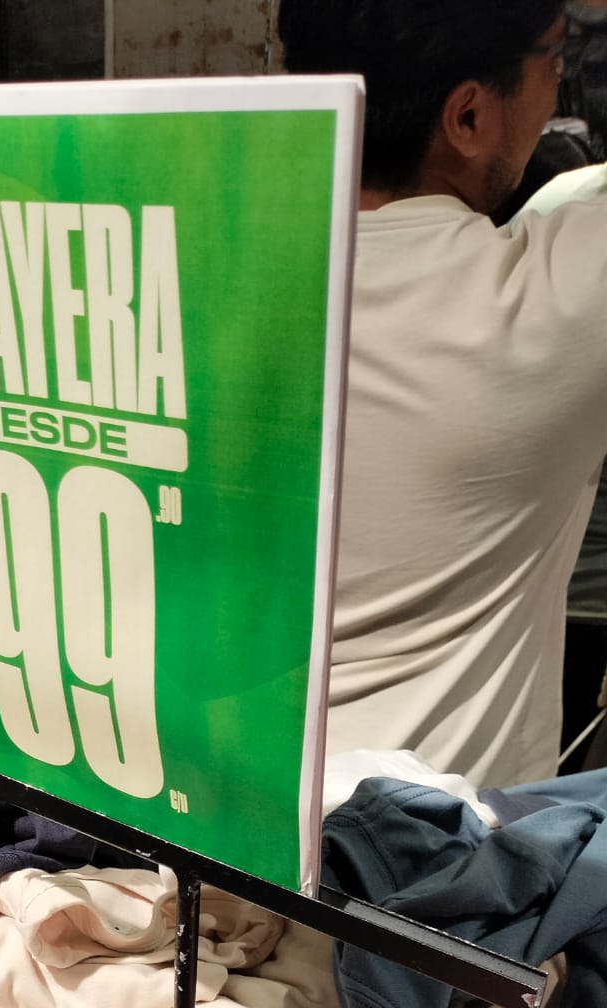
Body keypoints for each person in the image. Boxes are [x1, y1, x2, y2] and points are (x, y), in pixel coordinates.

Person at [278, 0, 607, 789]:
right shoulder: (551, 302)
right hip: (431, 849)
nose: (557, 90)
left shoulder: (190, 276)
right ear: (467, 116)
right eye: (556, 60)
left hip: (196, 831)